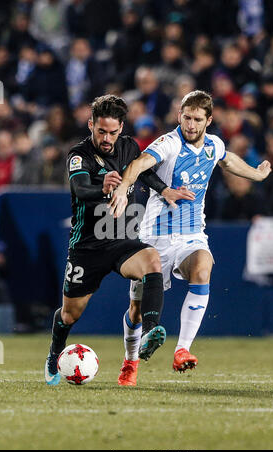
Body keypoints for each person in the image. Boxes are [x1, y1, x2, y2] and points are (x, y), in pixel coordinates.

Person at [109, 90, 271, 385]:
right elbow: (138, 164)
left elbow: (228, 160)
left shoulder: (214, 144)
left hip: (190, 234)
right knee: (136, 308)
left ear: (209, 120)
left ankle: (182, 350)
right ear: (179, 116)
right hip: (154, 236)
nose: (191, 125)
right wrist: (122, 189)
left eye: (197, 119)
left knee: (202, 267)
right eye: (186, 117)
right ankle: (130, 363)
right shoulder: (169, 143)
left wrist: (256, 175)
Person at [44, 94, 195, 385]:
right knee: (69, 315)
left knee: (151, 259)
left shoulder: (129, 146)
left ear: (121, 127)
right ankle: (54, 353)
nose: (107, 137)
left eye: (113, 132)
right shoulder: (79, 154)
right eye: (101, 131)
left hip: (124, 240)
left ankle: (151, 331)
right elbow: (79, 189)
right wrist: (103, 186)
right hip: (87, 247)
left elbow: (145, 173)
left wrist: (164, 191)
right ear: (91, 125)